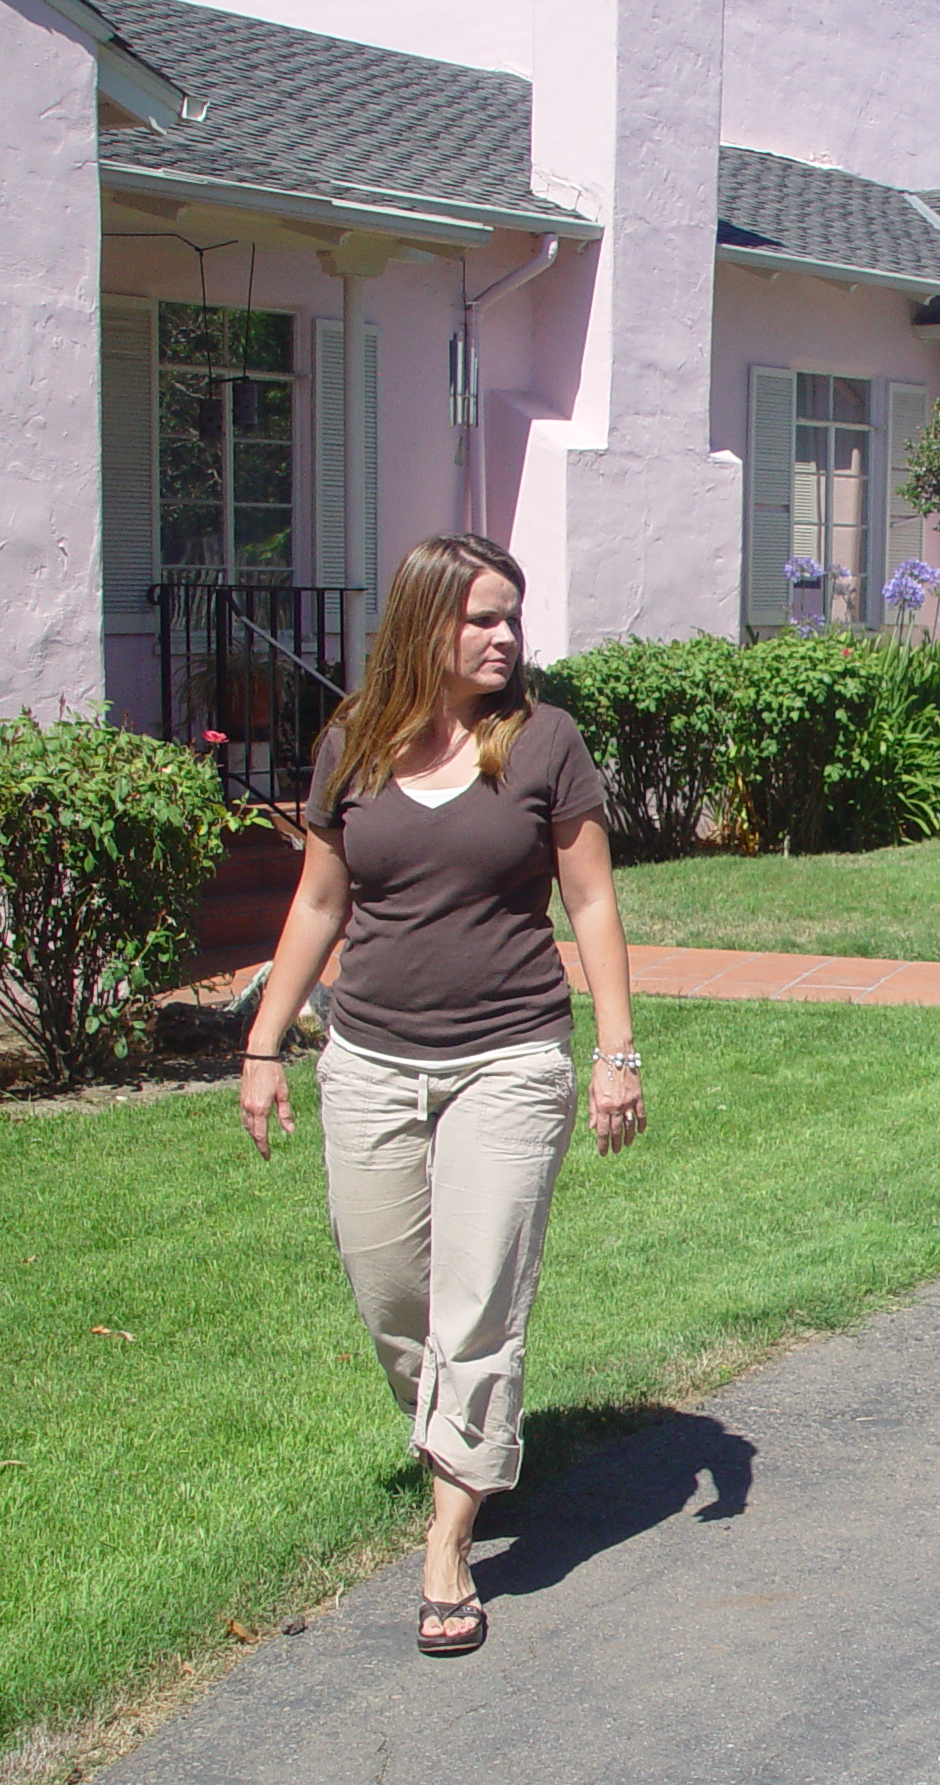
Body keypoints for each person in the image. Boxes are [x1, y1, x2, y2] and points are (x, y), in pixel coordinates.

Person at [238, 532, 644, 1654]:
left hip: (509, 1057)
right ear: (424, 622)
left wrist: (617, 1051)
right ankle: (471, 1433)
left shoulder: (544, 743)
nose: (504, 636)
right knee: (392, 1299)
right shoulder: (354, 742)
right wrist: (266, 1044)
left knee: (478, 1299)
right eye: (480, 616)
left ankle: (449, 1541)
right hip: (367, 1056)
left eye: (511, 616)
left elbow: (592, 905)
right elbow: (319, 904)